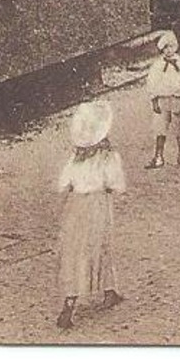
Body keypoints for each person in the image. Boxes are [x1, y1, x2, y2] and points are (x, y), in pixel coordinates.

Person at [55, 101, 125, 330]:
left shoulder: (74, 158)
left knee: (75, 251)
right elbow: (116, 185)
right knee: (101, 246)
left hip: (75, 207)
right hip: (98, 204)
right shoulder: (108, 157)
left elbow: (62, 185)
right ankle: (107, 291)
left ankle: (73, 299)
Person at [145, 31, 180, 170]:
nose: (168, 50)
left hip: (178, 98)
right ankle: (158, 157)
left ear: (175, 47)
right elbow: (151, 83)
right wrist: (154, 100)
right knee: (160, 127)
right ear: (162, 49)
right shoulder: (158, 65)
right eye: (165, 48)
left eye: (171, 47)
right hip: (163, 99)